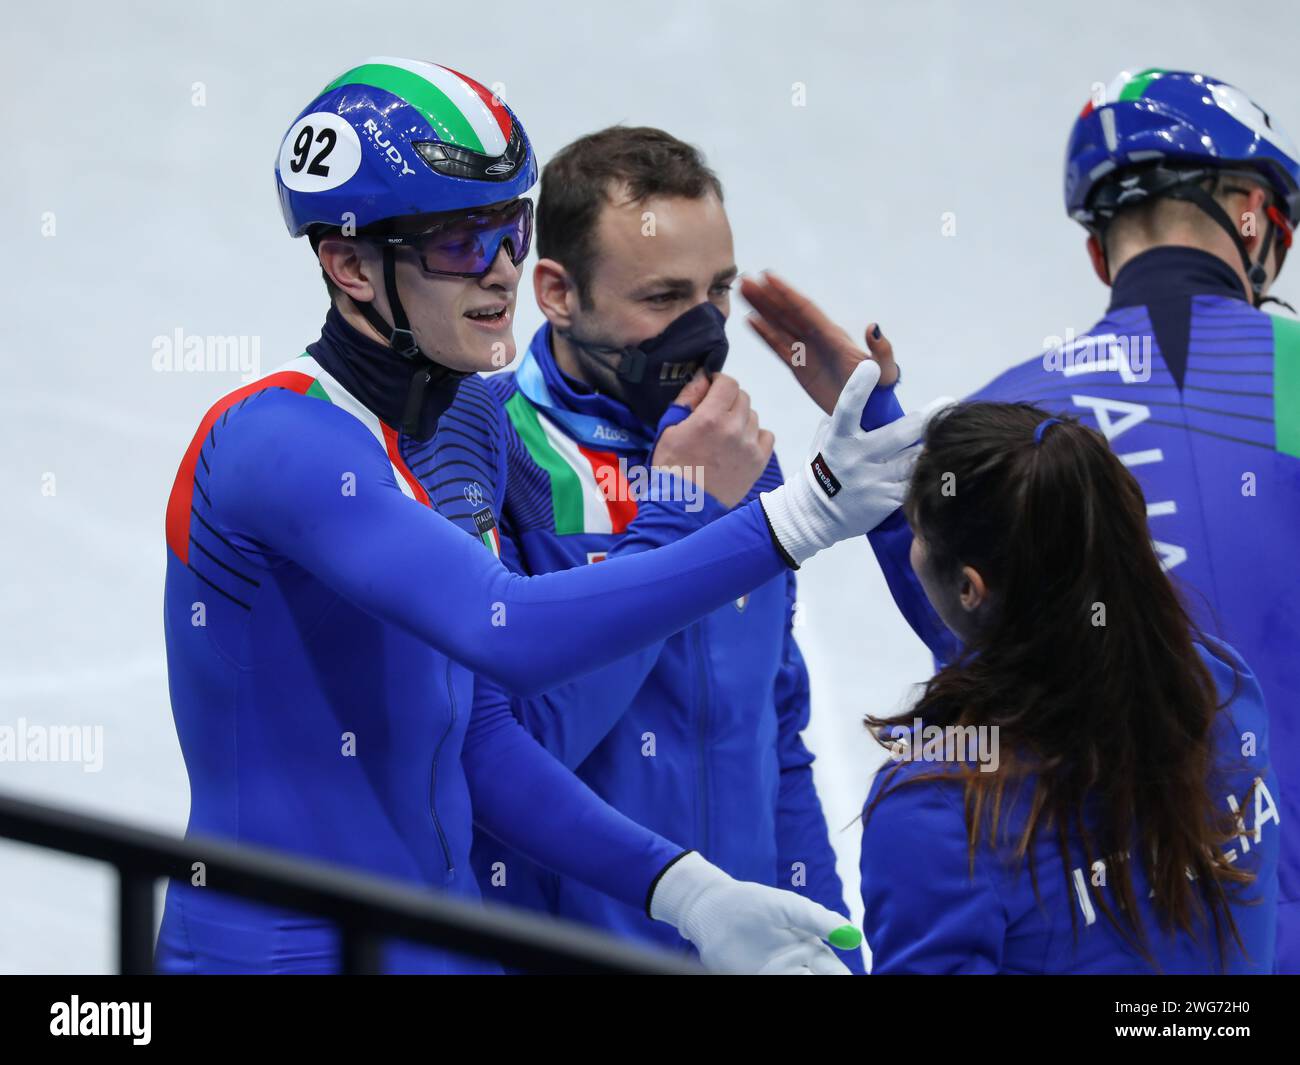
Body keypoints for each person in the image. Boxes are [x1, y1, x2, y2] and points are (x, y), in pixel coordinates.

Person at [155, 56, 927, 975]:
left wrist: (687, 889)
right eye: (457, 244)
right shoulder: (275, 440)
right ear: (351, 264)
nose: (502, 272)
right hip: (281, 957)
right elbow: (509, 631)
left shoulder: (466, 421)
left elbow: (476, 737)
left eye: (510, 229)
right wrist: (803, 513)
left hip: (449, 946)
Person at [744, 67, 1300, 972]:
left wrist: (892, 444)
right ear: (1249, 211)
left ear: (1097, 251)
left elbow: (992, 643)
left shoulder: (1018, 417)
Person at [468, 127, 862, 972]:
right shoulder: (488, 458)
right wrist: (680, 507)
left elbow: (777, 736)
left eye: (717, 290)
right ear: (558, 292)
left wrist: (825, 933)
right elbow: (524, 743)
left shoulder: (741, 456)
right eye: (662, 297)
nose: (702, 328)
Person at [859, 401, 1280, 973]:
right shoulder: (1214, 684)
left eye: (915, 530)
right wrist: (886, 420)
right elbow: (1028, 631)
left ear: (970, 586)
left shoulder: (937, 811)